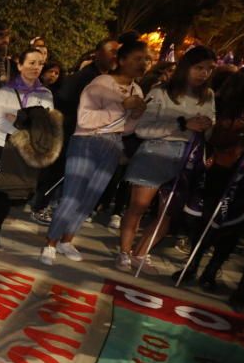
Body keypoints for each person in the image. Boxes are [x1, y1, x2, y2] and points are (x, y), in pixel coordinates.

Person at [40, 40, 149, 266]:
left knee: (92, 195)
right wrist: (121, 107)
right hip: (86, 142)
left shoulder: (137, 89)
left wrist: (136, 114)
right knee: (72, 194)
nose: (143, 64)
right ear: (121, 60)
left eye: (145, 59)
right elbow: (85, 120)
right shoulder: (101, 83)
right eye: (138, 58)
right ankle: (50, 242)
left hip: (113, 144)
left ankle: (67, 240)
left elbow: (127, 128)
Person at [116, 46, 217, 273]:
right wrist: (182, 125)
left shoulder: (208, 96)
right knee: (138, 207)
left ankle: (141, 253)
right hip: (155, 153)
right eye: (199, 68)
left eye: (209, 69)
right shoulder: (162, 91)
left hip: (186, 158)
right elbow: (142, 129)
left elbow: (210, 129)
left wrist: (207, 128)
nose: (203, 73)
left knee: (169, 212)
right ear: (186, 67)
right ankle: (124, 251)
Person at [172, 66, 244, 291]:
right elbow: (215, 136)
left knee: (234, 226)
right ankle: (192, 264)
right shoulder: (224, 103)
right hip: (221, 169)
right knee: (208, 221)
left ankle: (212, 270)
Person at [31, 38, 119, 223]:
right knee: (55, 170)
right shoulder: (86, 76)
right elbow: (64, 100)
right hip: (69, 130)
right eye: (112, 51)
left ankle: (49, 205)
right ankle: (40, 205)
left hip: (85, 132)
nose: (115, 56)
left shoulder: (108, 79)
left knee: (65, 174)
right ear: (98, 53)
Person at [0, 48, 58, 248]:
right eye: (31, 62)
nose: (36, 67)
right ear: (20, 65)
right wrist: (26, 122)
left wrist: (20, 118)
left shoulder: (46, 94)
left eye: (39, 63)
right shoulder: (6, 90)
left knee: (9, 192)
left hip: (23, 151)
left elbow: (44, 125)